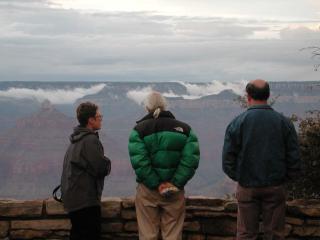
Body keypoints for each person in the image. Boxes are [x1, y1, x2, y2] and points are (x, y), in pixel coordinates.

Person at [222, 79, 301, 240]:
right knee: (274, 234)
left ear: (248, 96)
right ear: (268, 95)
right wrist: (283, 179)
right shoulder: (283, 122)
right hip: (275, 186)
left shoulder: (238, 123)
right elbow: (294, 157)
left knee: (246, 234)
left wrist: (241, 177)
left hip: (247, 187)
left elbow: (228, 160)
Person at [128, 91, 200, 240]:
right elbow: (191, 160)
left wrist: (156, 184)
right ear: (165, 106)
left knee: (148, 234)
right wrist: (174, 183)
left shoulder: (138, 131)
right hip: (174, 190)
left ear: (147, 107)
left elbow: (140, 162)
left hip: (147, 190)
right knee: (173, 234)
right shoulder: (185, 129)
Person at [61, 102, 111, 240]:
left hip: (74, 199)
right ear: (90, 120)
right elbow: (100, 168)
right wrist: (107, 162)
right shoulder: (89, 140)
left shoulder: (76, 139)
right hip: (85, 201)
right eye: (99, 116)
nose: (101, 119)